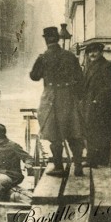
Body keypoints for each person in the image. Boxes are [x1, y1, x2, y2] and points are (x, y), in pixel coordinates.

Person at [30, 26, 85, 177]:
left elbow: (34, 76)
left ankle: (59, 167)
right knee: (74, 130)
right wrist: (77, 98)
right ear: (58, 39)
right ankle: (78, 166)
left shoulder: (43, 57)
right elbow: (80, 79)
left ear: (46, 40)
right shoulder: (70, 56)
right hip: (68, 96)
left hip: (51, 98)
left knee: (54, 133)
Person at [82, 42, 111, 167]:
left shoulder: (106, 66)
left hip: (102, 107)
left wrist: (97, 100)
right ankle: (91, 160)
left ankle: (102, 161)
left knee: (102, 133)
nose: (92, 54)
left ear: (101, 52)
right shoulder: (90, 66)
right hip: (89, 106)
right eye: (90, 52)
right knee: (90, 132)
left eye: (95, 51)